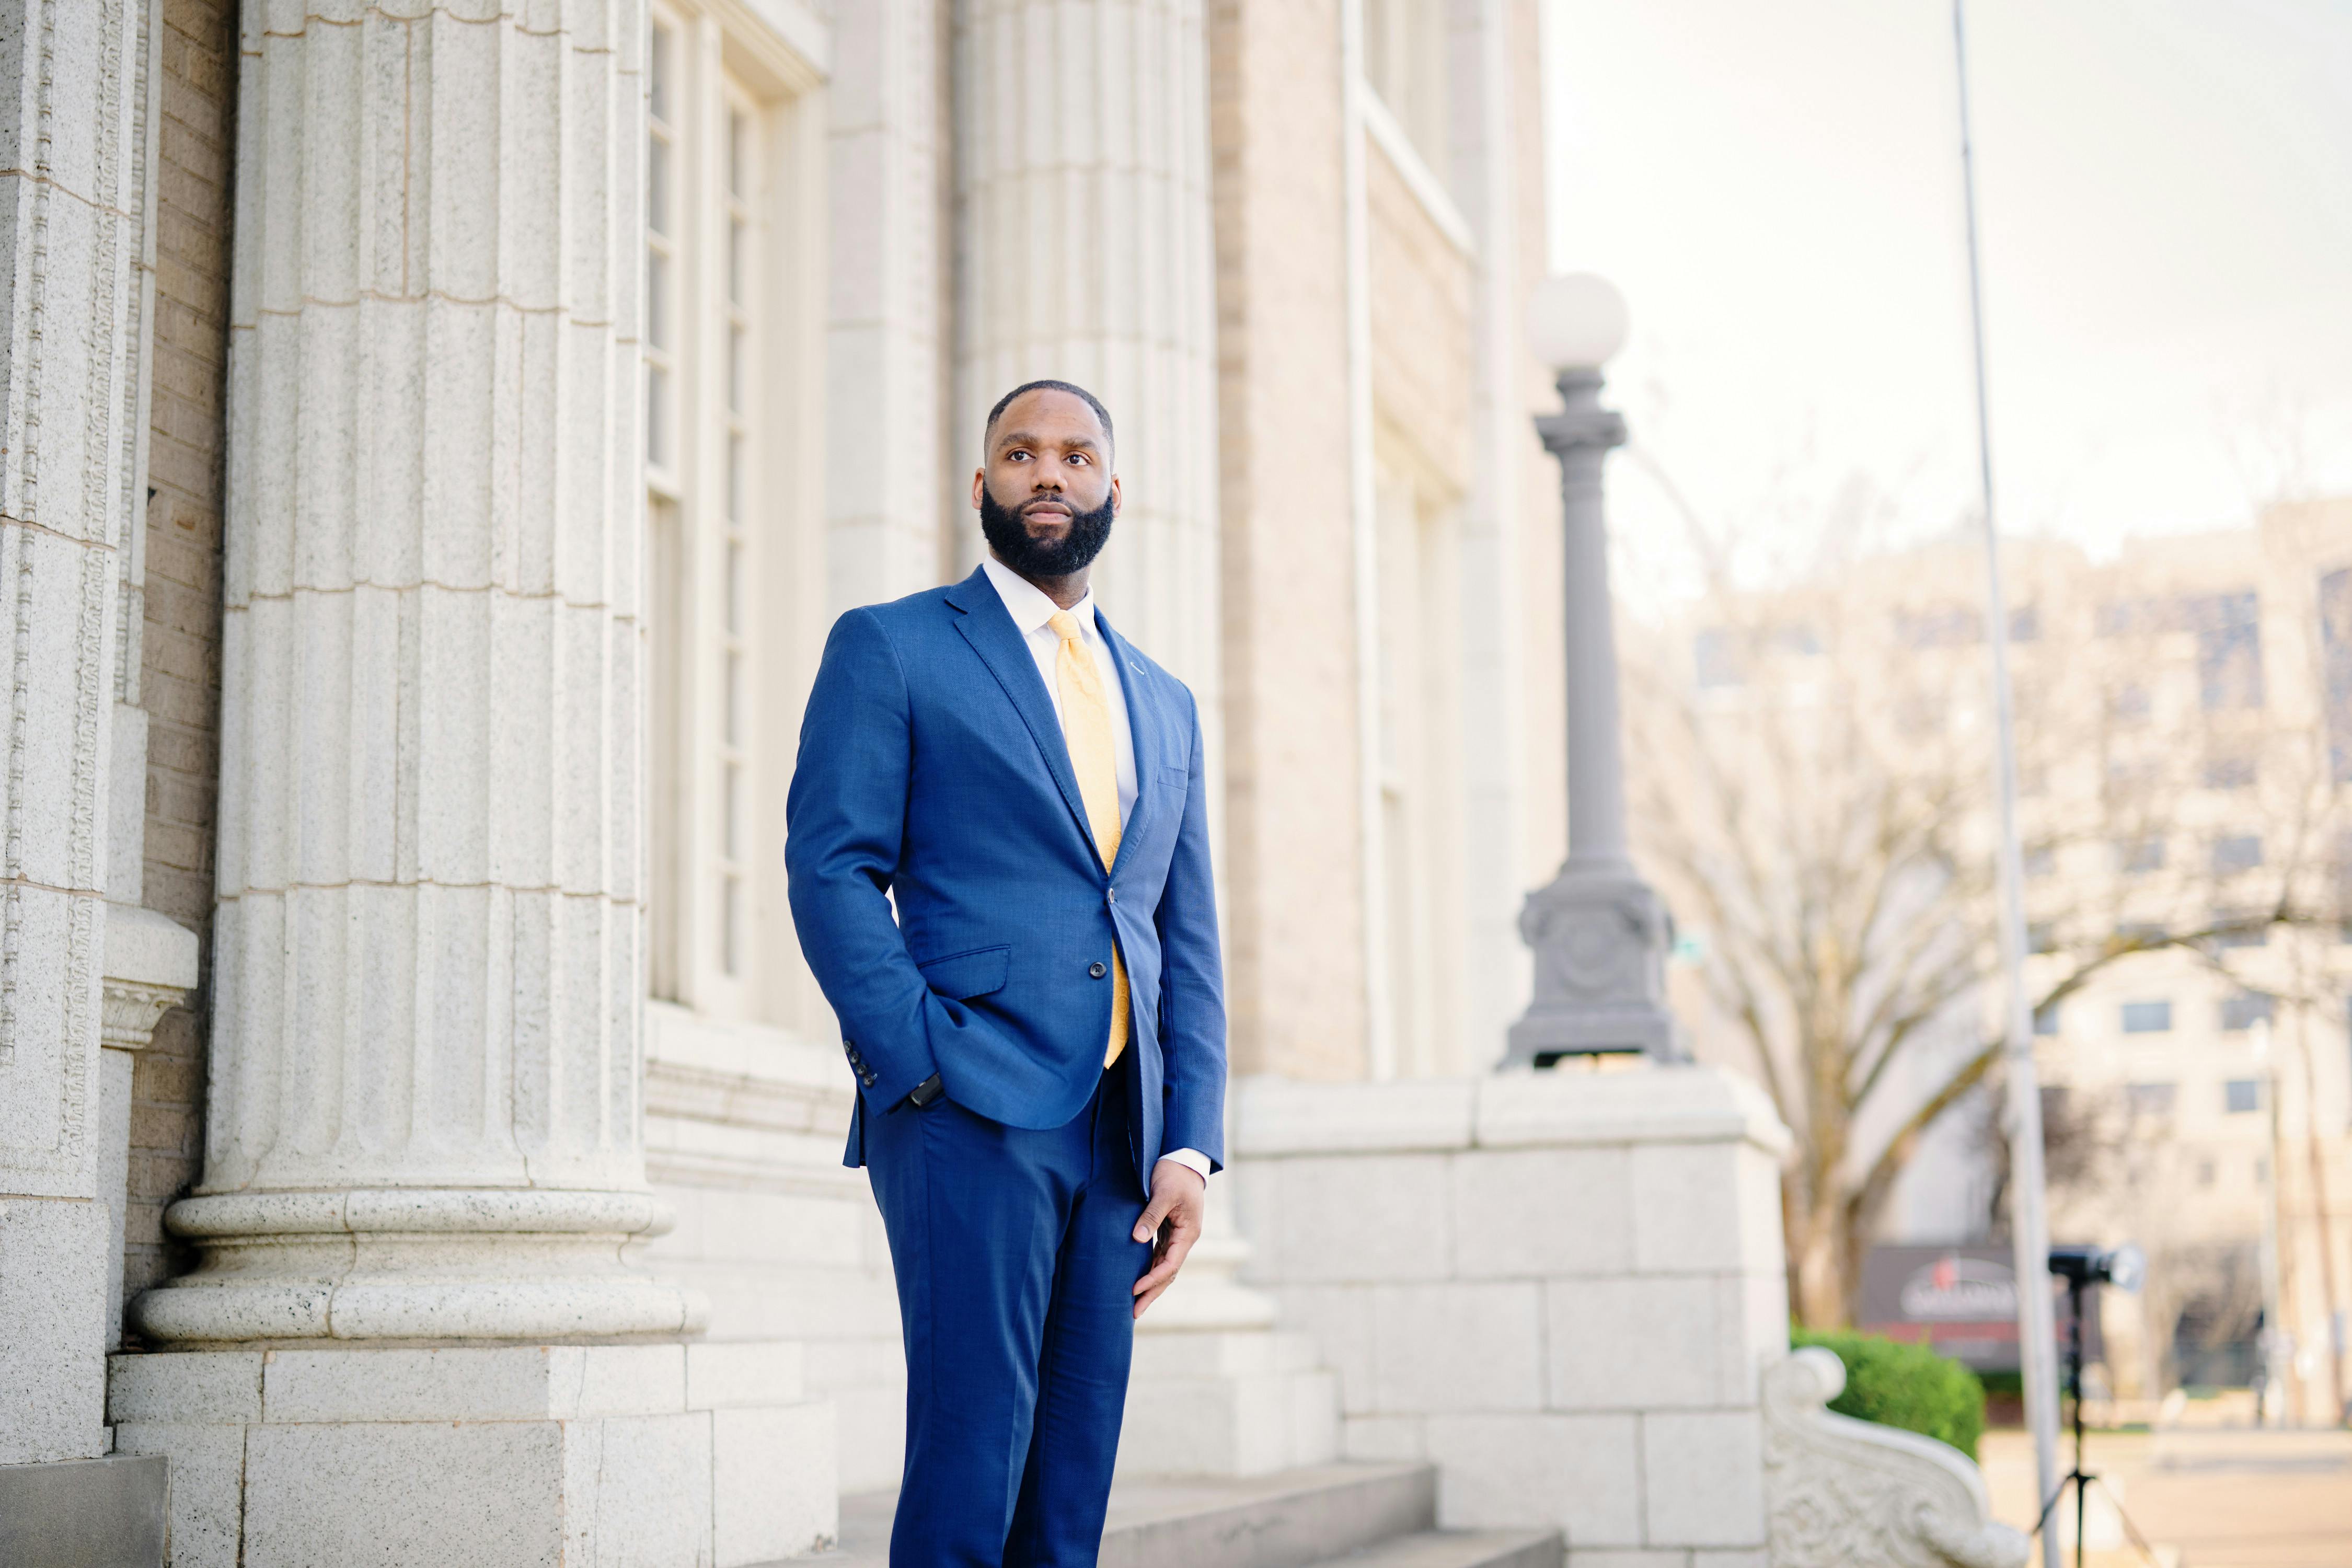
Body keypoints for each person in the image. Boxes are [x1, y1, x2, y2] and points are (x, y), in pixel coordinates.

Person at [786, 379, 1226, 1566]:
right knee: (972, 1461)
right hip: (966, 1108)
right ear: (981, 485)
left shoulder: (1166, 702)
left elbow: (1183, 936)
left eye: (1077, 456)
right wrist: (919, 1062)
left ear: (1115, 490)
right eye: (1021, 454)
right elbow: (830, 868)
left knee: (1071, 1483)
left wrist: (1190, 1145)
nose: (1050, 474)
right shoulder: (894, 646)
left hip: (1122, 1136)